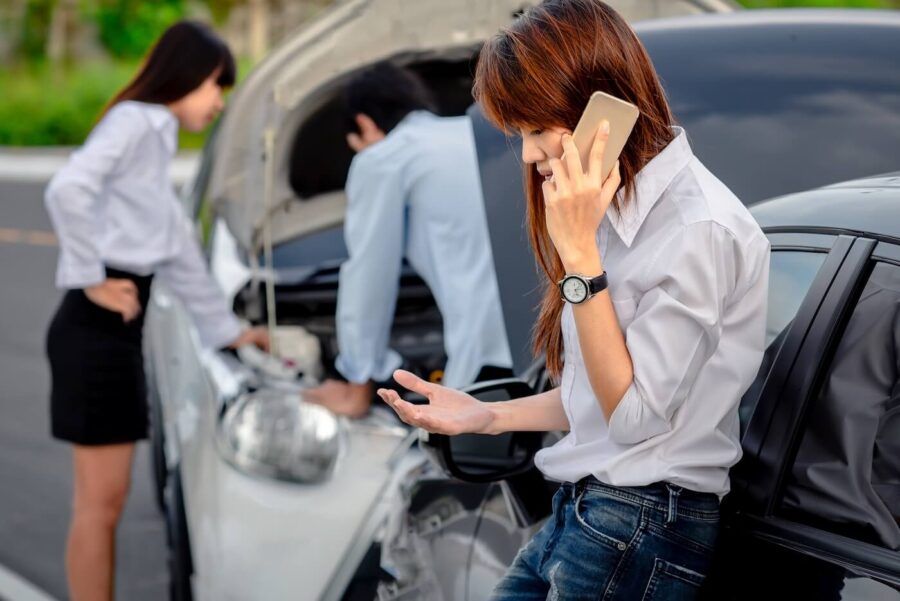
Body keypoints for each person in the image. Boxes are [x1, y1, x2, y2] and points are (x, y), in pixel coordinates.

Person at [379, 1, 770, 599]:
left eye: (536, 130)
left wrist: (581, 260)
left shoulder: (698, 228)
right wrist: (488, 416)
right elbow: (602, 393)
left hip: (640, 522)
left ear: (600, 110)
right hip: (590, 514)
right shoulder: (614, 215)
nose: (529, 155)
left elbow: (636, 418)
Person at [44, 21, 267, 601]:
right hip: (95, 328)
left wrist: (231, 332)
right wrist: (92, 279)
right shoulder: (137, 122)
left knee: (104, 504)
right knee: (100, 505)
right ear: (187, 77)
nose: (219, 102)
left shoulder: (154, 133)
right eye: (217, 86)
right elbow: (67, 190)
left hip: (112, 334)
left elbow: (177, 252)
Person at [303, 63, 513, 418]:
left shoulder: (385, 157)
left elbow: (370, 274)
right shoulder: (478, 131)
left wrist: (358, 379)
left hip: (485, 350)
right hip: (554, 330)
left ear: (366, 125)